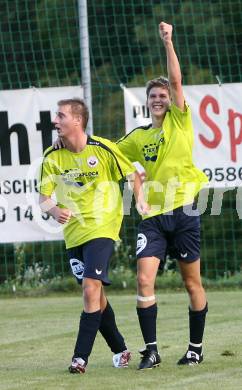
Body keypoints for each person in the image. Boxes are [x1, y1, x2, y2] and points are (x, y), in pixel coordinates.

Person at [116, 21, 208, 369]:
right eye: (153, 96)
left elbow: (177, 80)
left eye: (163, 95)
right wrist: (69, 141)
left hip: (184, 211)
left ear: (171, 101)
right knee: (143, 278)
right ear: (147, 102)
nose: (158, 99)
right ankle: (151, 351)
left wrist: (168, 42)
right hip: (153, 218)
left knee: (191, 282)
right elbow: (114, 154)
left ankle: (195, 349)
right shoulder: (138, 137)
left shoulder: (180, 121)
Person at [38, 98, 149, 374]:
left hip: (102, 227)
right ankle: (121, 350)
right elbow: (44, 199)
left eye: (60, 116)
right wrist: (54, 211)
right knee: (96, 296)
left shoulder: (102, 149)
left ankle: (79, 359)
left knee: (90, 289)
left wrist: (140, 201)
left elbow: (134, 174)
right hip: (74, 235)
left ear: (78, 120)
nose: (55, 121)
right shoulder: (52, 156)